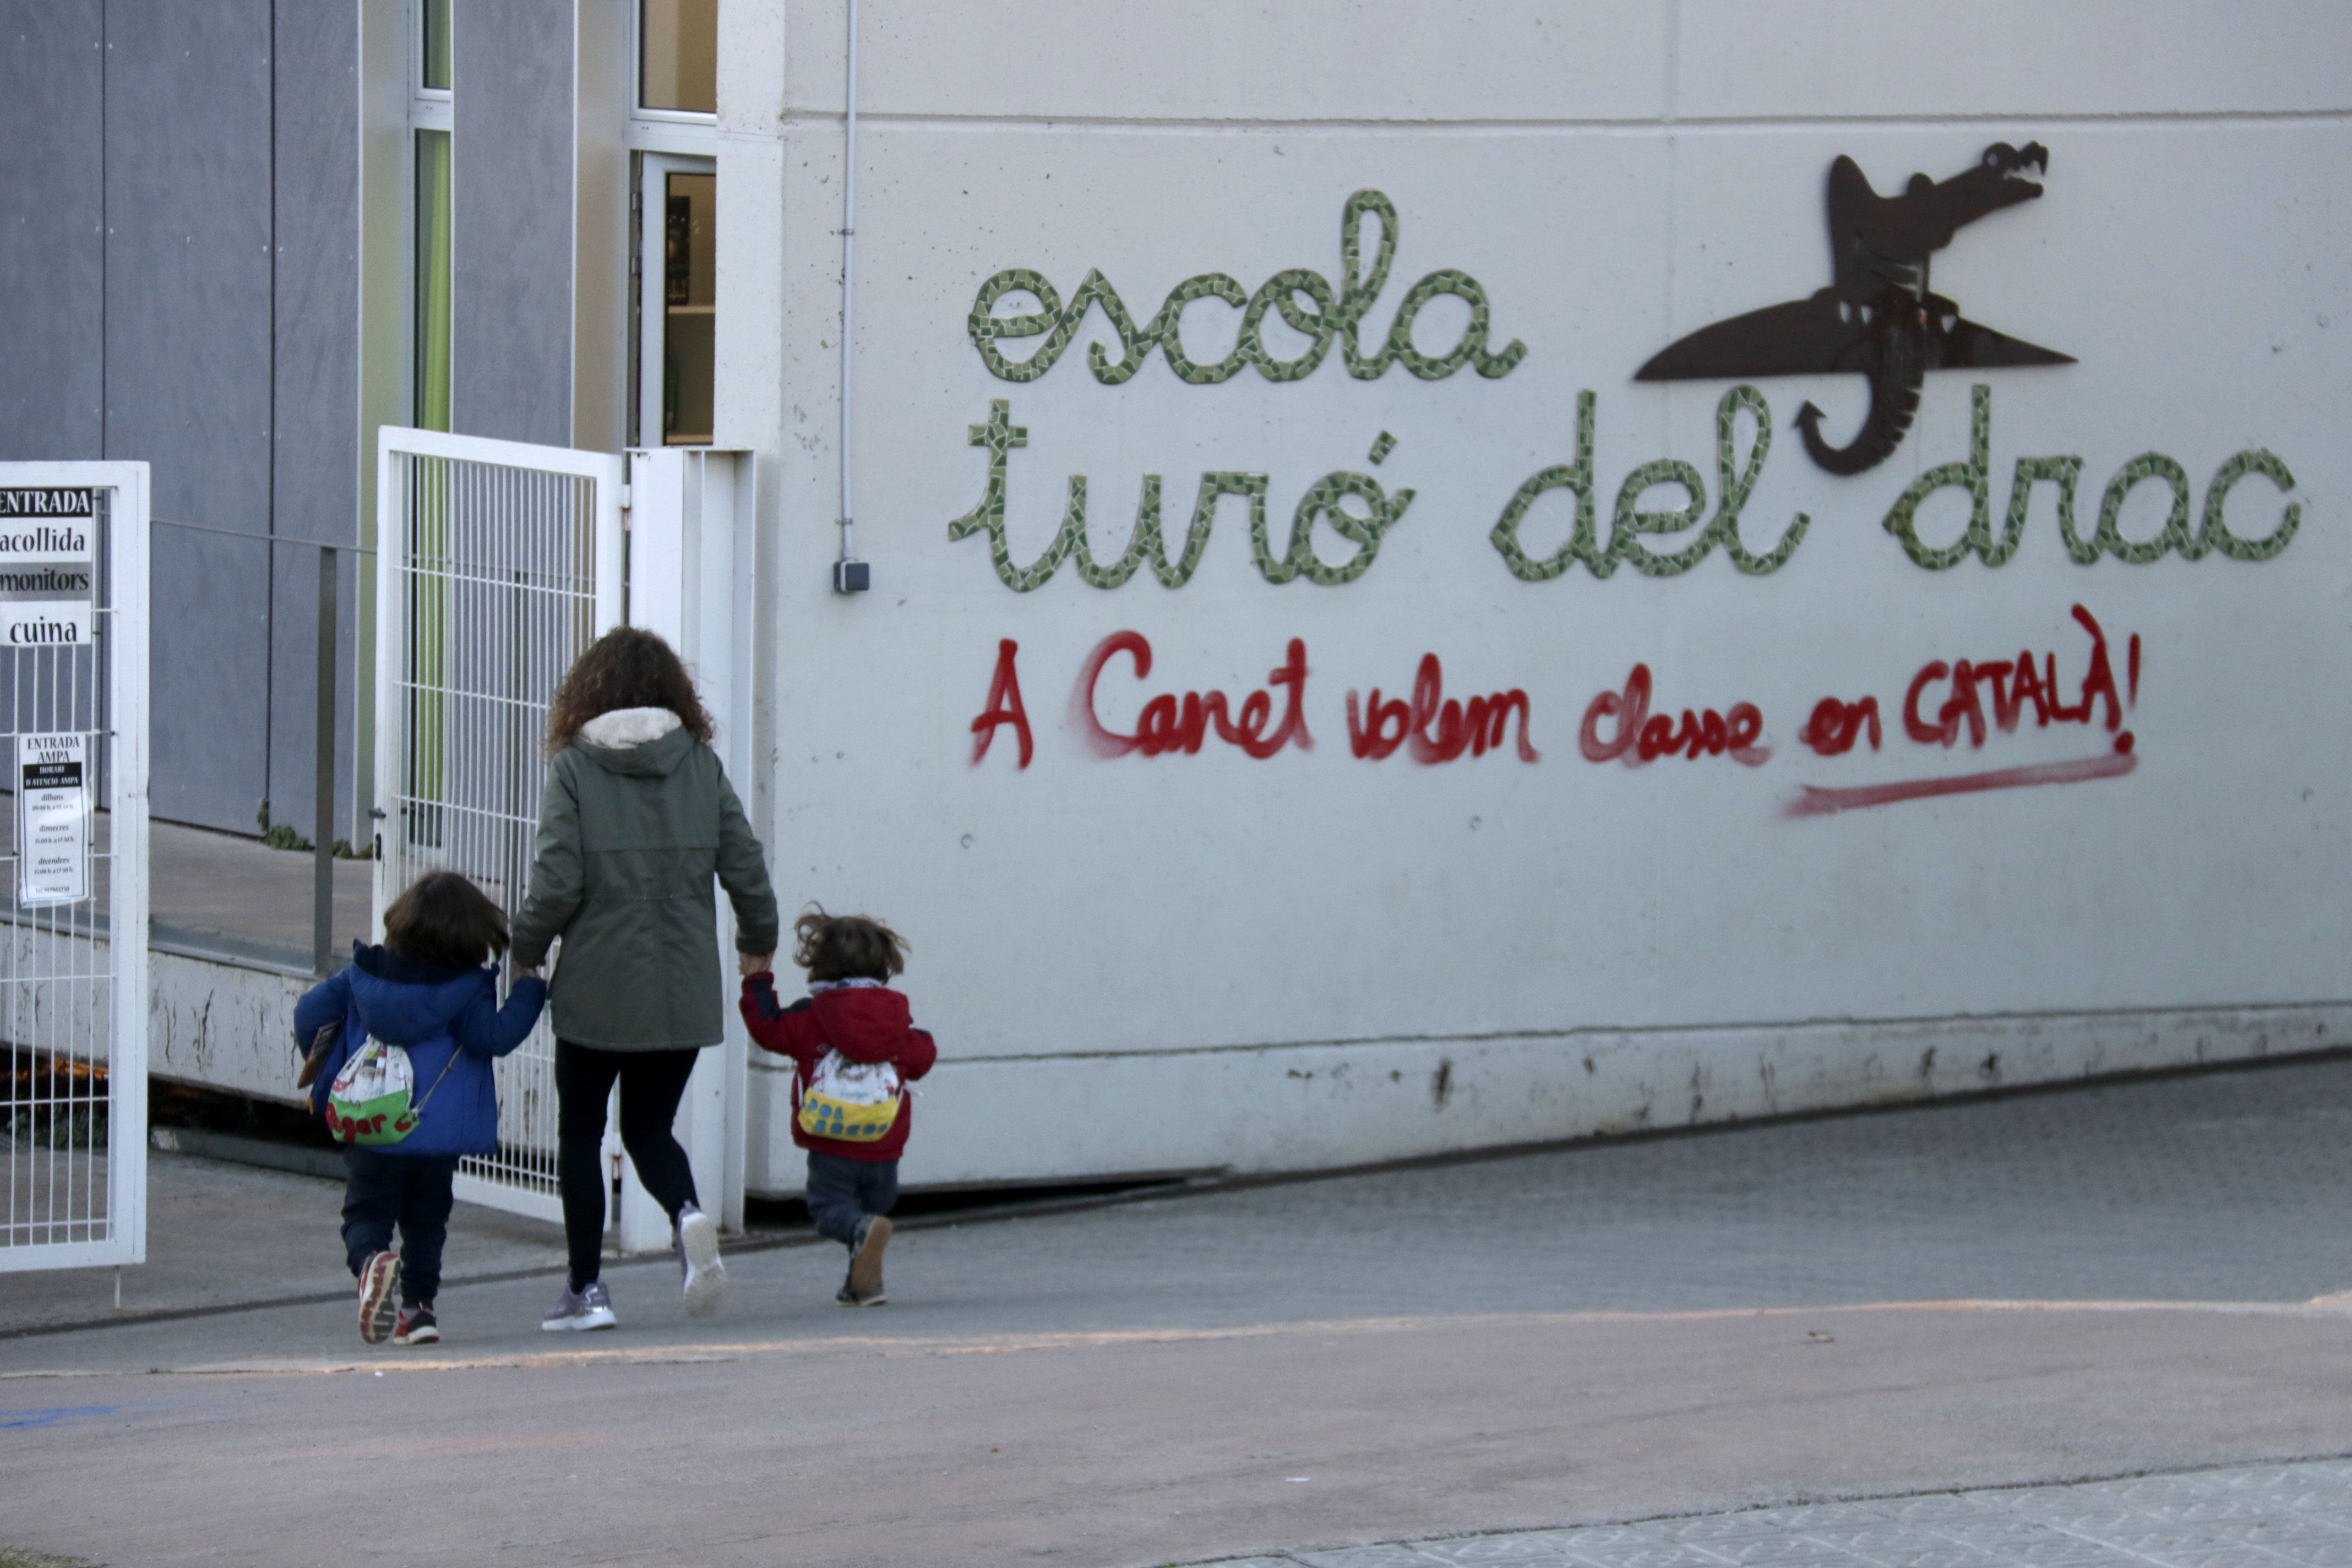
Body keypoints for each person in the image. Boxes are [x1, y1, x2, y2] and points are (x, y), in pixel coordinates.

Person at [512, 627, 780, 1332]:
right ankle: (688, 1215)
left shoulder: (574, 769)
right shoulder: (699, 764)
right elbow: (747, 869)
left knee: (580, 1135)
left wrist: (526, 949)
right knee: (649, 1127)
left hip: (597, 987)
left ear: (587, 691)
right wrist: (758, 945)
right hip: (682, 982)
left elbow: (557, 881)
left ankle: (586, 1290)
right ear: (673, 691)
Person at [293, 871, 547, 1346]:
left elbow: (308, 1016)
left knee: (366, 1214)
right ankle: (419, 1312)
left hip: (371, 1123)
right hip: (435, 1137)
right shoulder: (468, 989)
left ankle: (371, 1263)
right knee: (427, 1222)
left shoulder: (362, 975)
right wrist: (530, 987)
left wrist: (333, 1055)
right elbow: (496, 1037)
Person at [741, 910, 937, 1306]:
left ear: (820, 965)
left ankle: (863, 1240)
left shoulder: (810, 1016)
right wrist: (920, 1040)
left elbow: (768, 1027)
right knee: (869, 1216)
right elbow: (922, 1059)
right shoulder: (896, 1020)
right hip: (883, 1143)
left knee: (832, 1211)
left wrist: (757, 980)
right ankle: (863, 1285)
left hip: (831, 1141)